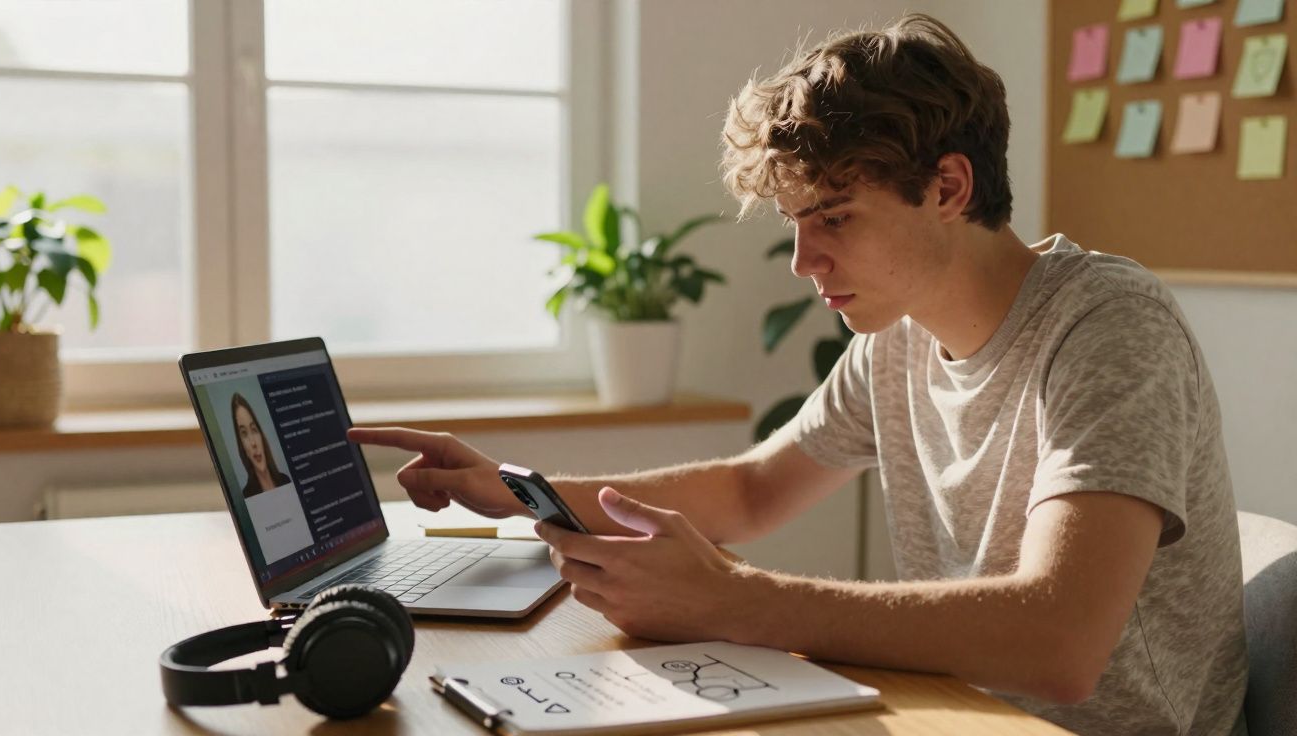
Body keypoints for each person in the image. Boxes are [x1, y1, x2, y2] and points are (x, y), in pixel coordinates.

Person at [349, 14, 1246, 735]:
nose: (802, 260)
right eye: (796, 224)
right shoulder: (892, 339)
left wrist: (740, 601)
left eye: (835, 218)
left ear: (948, 188)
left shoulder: (1108, 326)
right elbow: (750, 491)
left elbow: (1061, 644)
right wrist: (517, 490)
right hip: (951, 712)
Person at [231, 393, 290, 498]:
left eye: (254, 430)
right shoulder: (247, 496)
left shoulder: (285, 480)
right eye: (244, 433)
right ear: (242, 446)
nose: (253, 443)